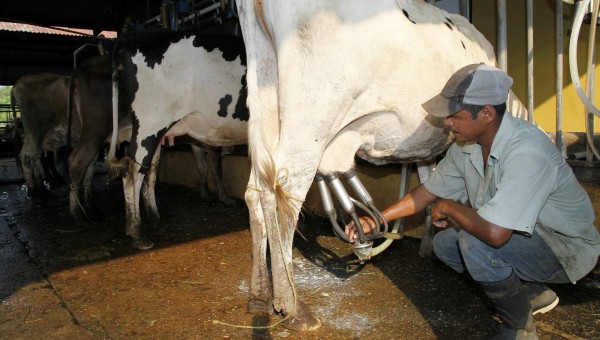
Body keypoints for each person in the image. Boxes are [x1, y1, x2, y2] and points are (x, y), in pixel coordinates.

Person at [345, 63, 600, 339]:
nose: (447, 122)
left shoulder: (526, 151)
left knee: (475, 244)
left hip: (565, 249)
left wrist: (449, 207)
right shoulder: (466, 146)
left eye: (455, 115)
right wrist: (376, 219)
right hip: (523, 238)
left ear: (487, 114)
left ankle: (519, 329)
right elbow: (427, 192)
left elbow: (495, 233)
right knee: (446, 245)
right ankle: (530, 294)